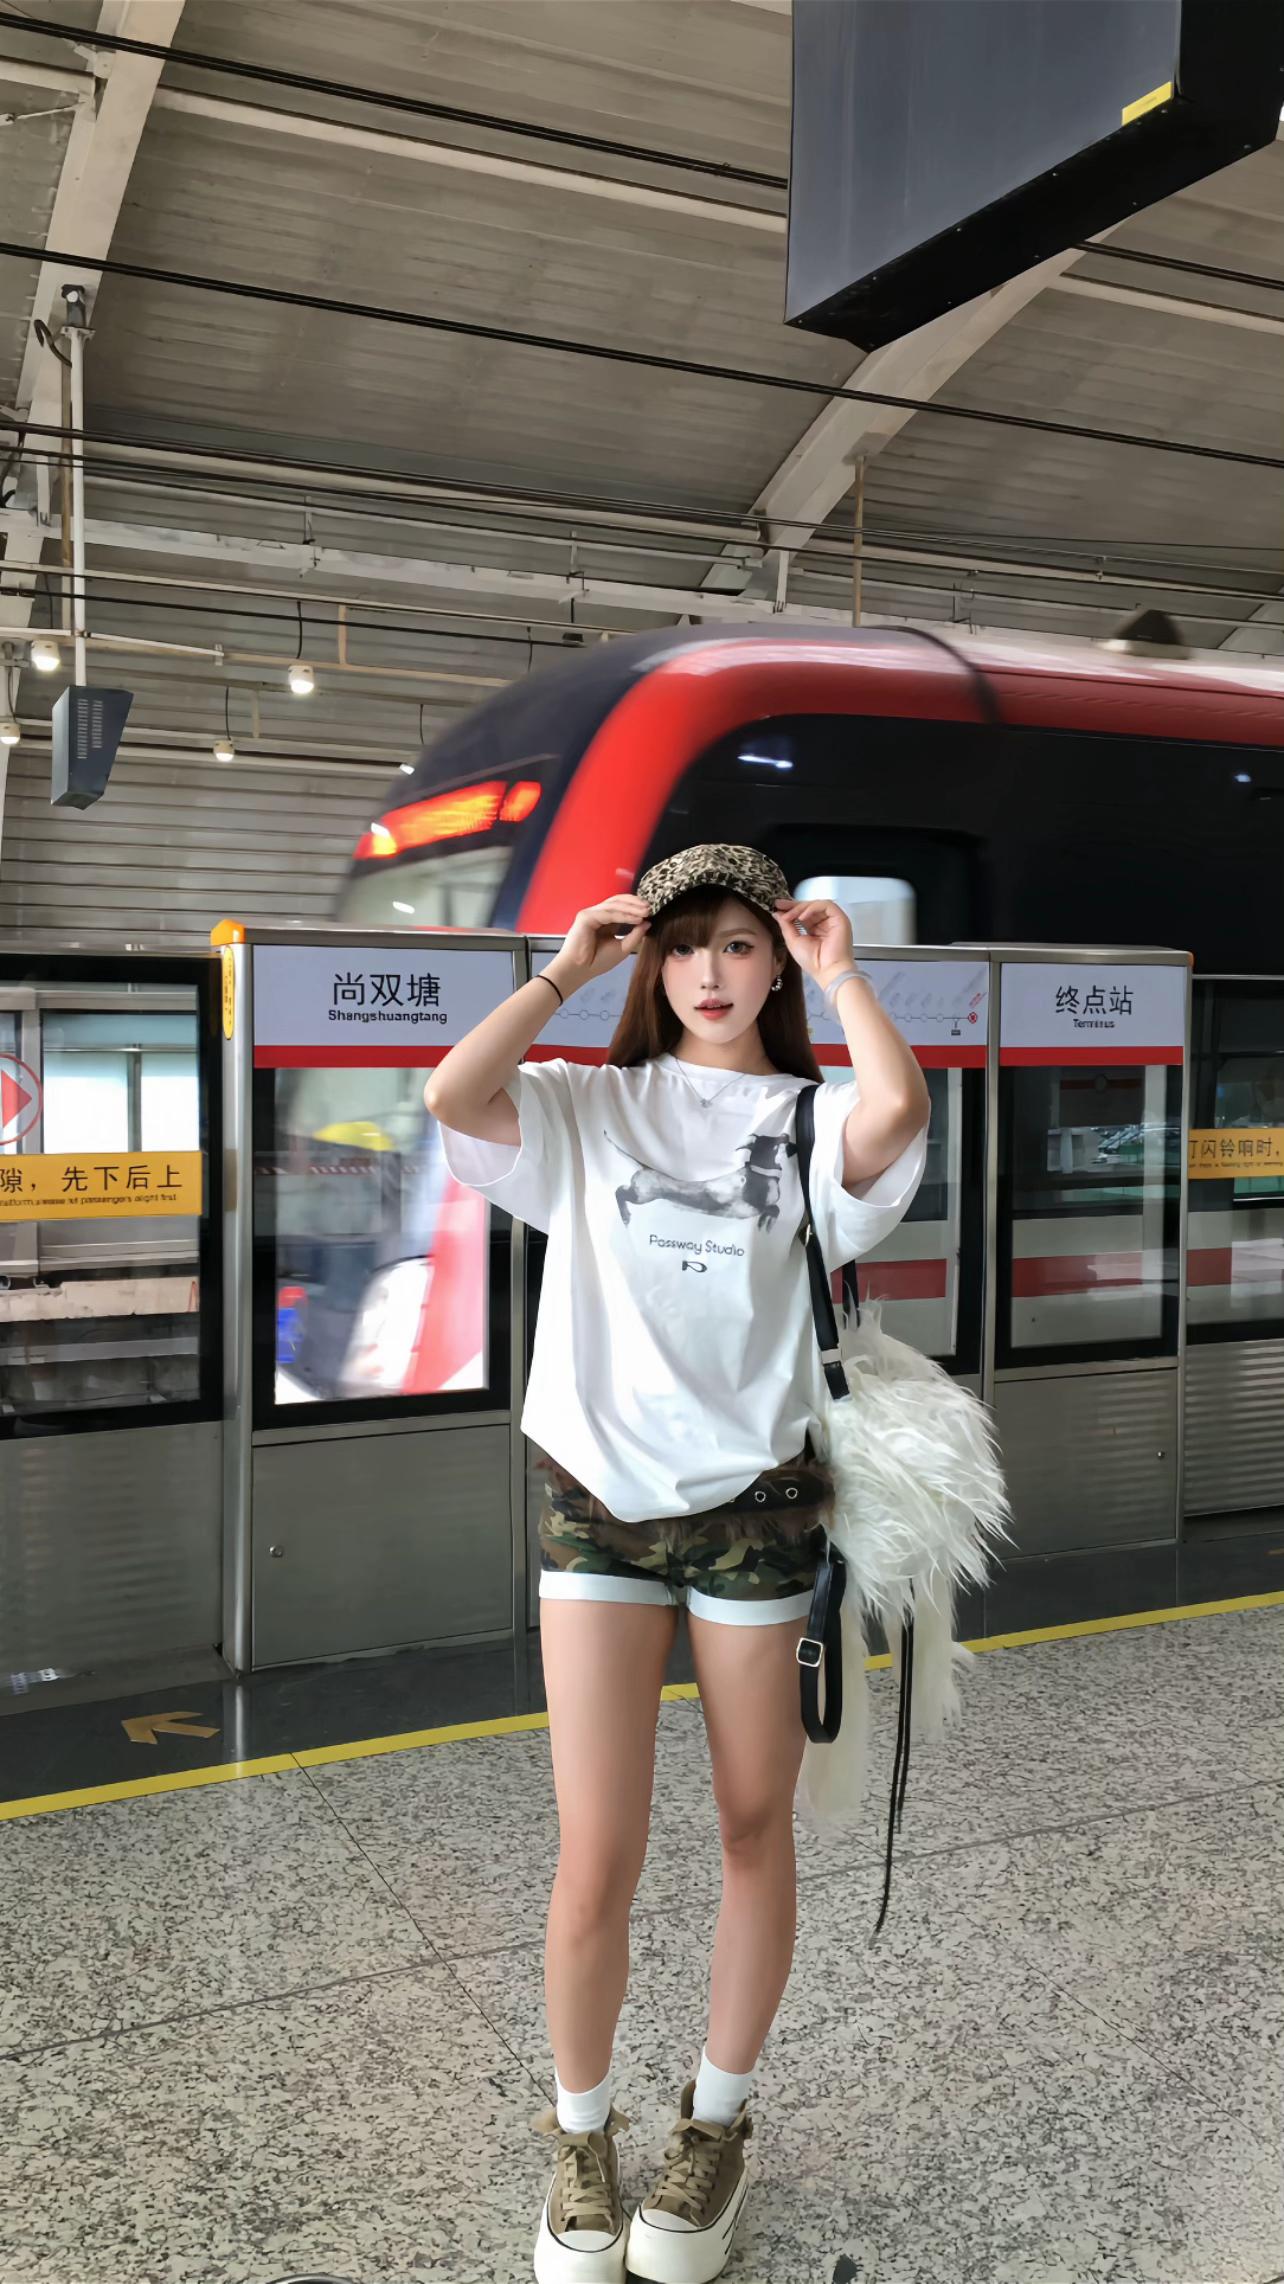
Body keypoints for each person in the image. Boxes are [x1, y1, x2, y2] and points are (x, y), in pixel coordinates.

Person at [426, 845, 929, 2284]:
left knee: (754, 1828)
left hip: (759, 1507)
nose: (712, 971)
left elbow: (895, 1111)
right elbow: (452, 1096)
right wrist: (563, 974)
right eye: (686, 945)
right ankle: (581, 2139)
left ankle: (715, 2123)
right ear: (652, 964)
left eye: (741, 945)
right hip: (597, 1504)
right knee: (598, 1848)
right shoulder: (586, 1104)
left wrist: (846, 971)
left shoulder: (808, 1114)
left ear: (777, 964)